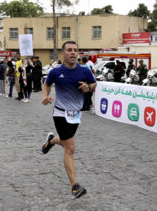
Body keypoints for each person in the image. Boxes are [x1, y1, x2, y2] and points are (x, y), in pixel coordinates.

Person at [41, 41, 96, 199]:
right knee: (70, 148)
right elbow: (47, 84)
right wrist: (45, 96)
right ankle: (74, 186)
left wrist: (88, 87)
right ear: (63, 53)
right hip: (60, 113)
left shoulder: (84, 71)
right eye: (69, 50)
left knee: (65, 142)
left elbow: (94, 84)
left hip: (75, 115)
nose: (73, 53)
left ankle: (51, 141)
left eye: (75, 50)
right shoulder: (56, 72)